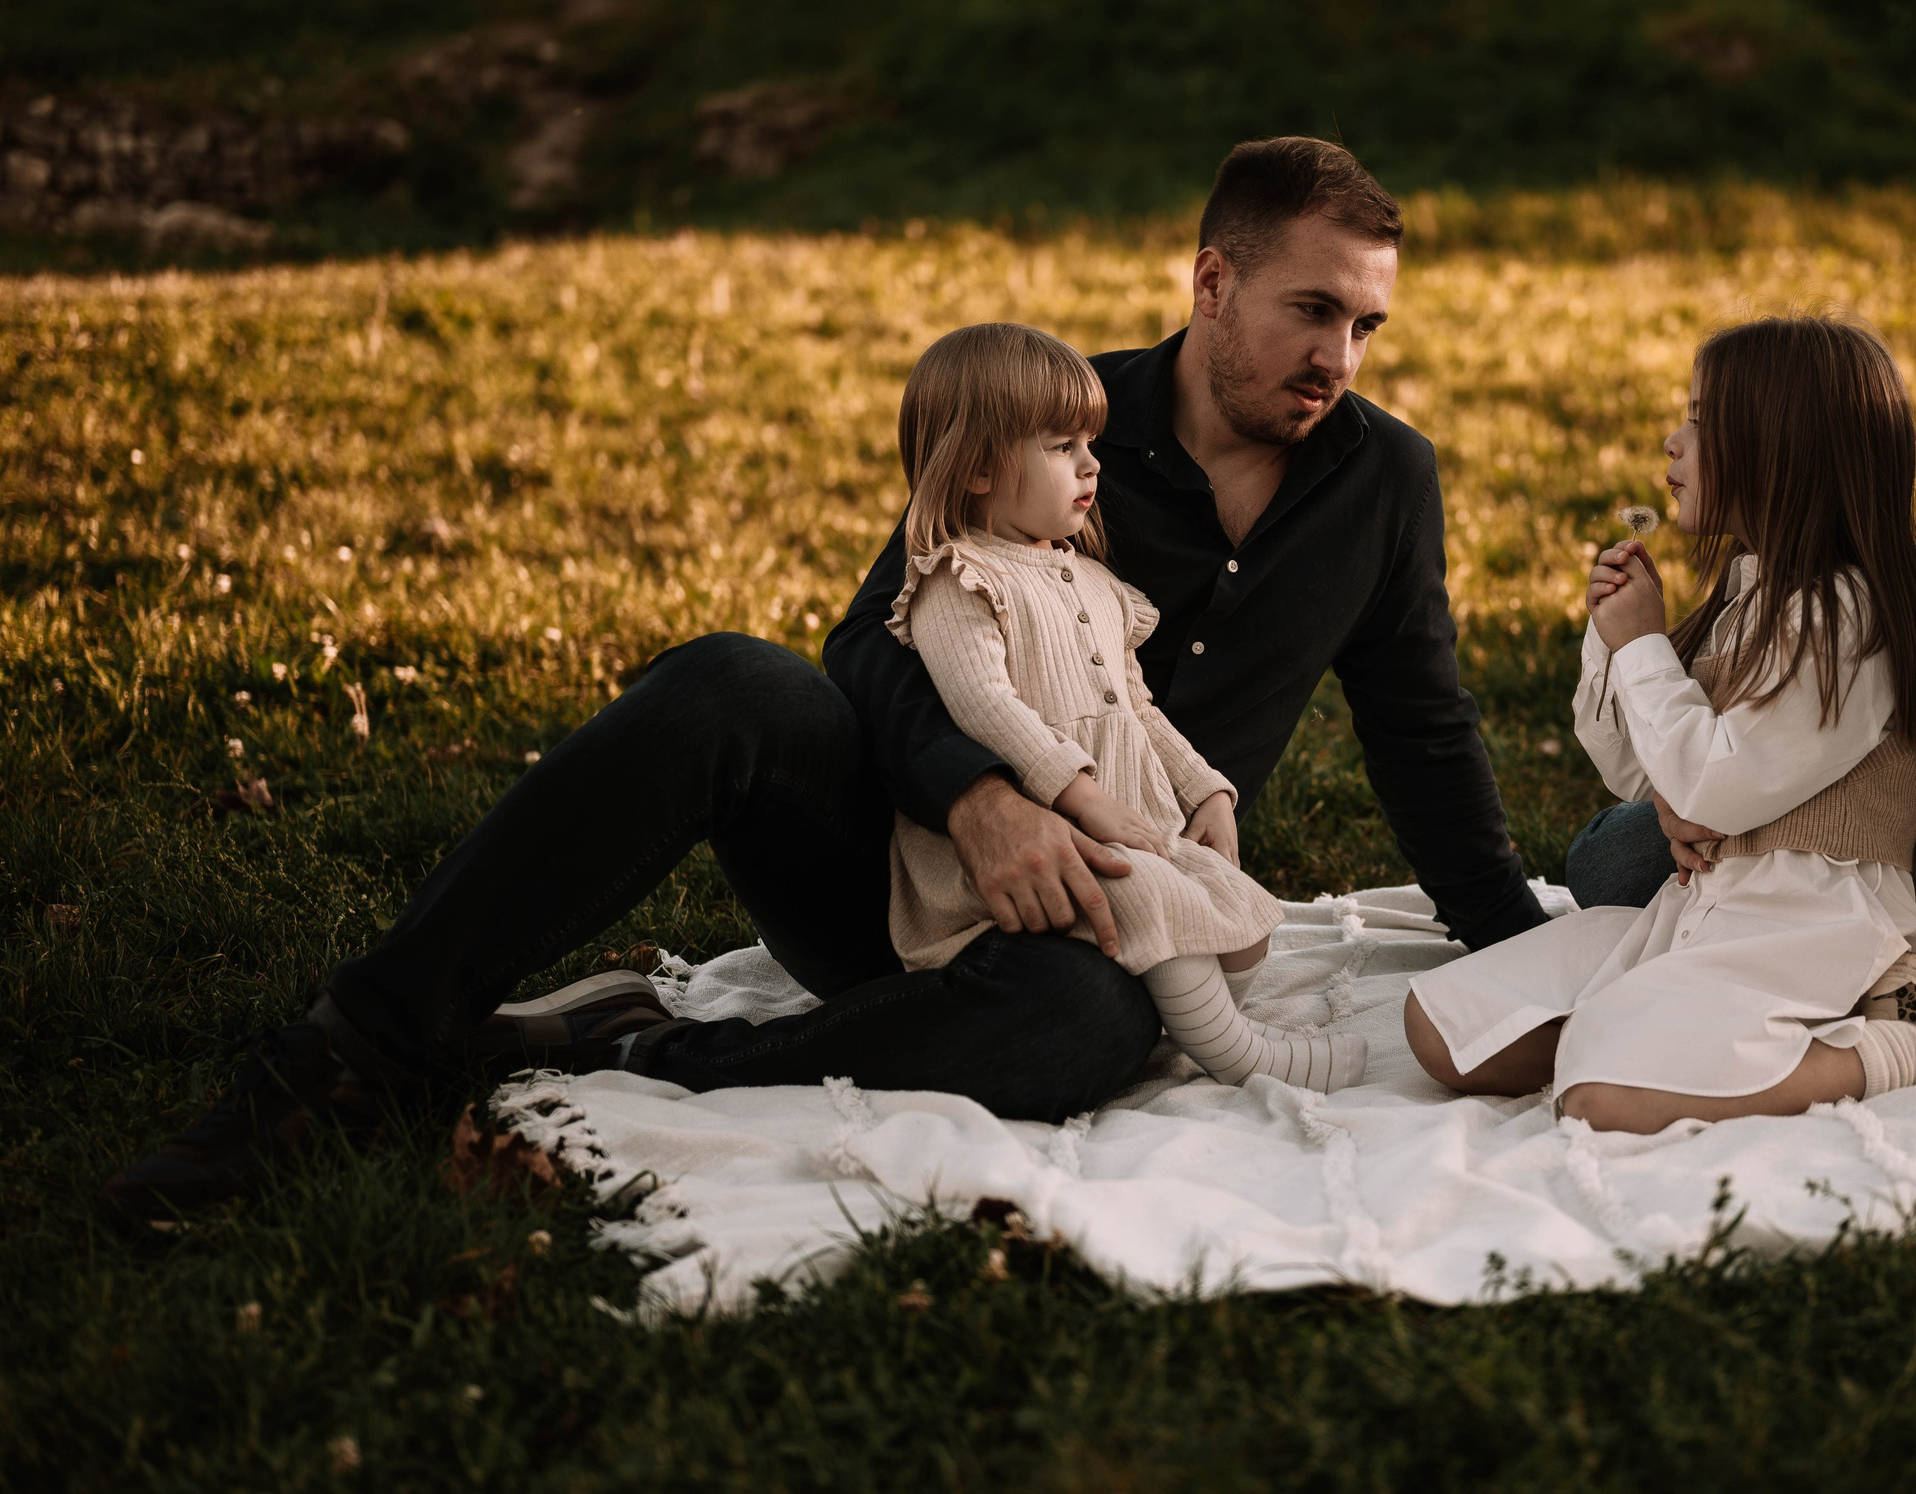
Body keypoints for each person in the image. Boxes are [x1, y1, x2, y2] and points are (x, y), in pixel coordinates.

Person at [104, 136, 1540, 1220]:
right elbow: (874, 638)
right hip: (895, 876)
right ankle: (350, 1050)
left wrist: (1524, 952)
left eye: (1366, 326)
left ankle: (635, 1058)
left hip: (1100, 937)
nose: (1337, 357)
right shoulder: (1053, 412)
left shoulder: (1383, 479)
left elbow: (1423, 725)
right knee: (732, 682)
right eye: (1311, 311)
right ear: (1213, 282)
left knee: (1082, 1025)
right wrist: (977, 794)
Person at [1404, 317, 1916, 1134]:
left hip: (1801, 927)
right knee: (1445, 1030)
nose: (1672, 440)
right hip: (1701, 911)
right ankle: (1652, 1039)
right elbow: (1637, 774)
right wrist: (1614, 638)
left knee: (1598, 1096)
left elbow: (1712, 790)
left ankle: (1895, 1045)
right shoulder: (1748, 596)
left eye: (1699, 421)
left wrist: (1645, 648)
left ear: (1779, 453)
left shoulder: (1843, 616)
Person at [885, 321, 1363, 1091]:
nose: (1091, 464)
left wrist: (1206, 789)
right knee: (1151, 896)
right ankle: (1244, 1055)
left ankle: (1181, 1030)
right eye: (1061, 446)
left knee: (1239, 912)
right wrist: (1079, 795)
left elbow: (1137, 705)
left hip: (1123, 821)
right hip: (1021, 851)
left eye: (1090, 443)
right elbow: (985, 703)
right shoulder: (958, 578)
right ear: (977, 468)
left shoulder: (1093, 581)